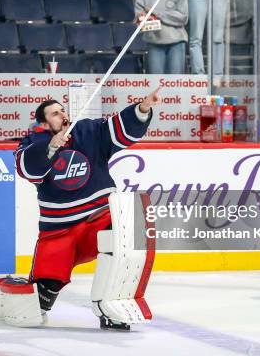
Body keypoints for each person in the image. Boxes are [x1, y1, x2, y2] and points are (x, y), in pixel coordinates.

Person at [13, 87, 162, 328]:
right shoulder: (35, 142)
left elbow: (119, 131)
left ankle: (111, 305)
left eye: (63, 111)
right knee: (38, 301)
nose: (62, 115)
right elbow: (26, 169)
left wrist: (142, 109)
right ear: (42, 123)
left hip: (98, 217)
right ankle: (33, 297)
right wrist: (51, 146)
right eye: (54, 114)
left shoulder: (88, 131)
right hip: (59, 231)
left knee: (123, 235)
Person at [135, 0, 188, 74]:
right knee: (155, 84)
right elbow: (139, 18)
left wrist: (157, 13)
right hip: (154, 43)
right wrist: (145, 19)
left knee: (175, 83)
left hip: (176, 42)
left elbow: (183, 18)